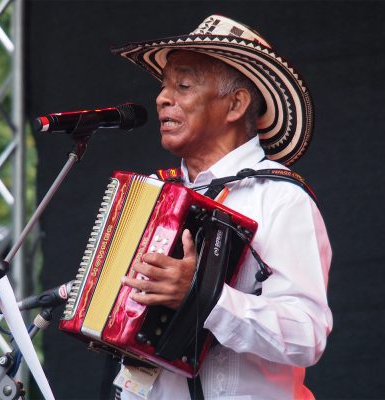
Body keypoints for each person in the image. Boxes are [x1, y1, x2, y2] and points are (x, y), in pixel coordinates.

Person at [110, 15, 332, 399]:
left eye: (183, 85)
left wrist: (205, 299)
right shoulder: (155, 195)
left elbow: (306, 336)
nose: (162, 98)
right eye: (164, 86)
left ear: (235, 105)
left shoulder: (280, 197)